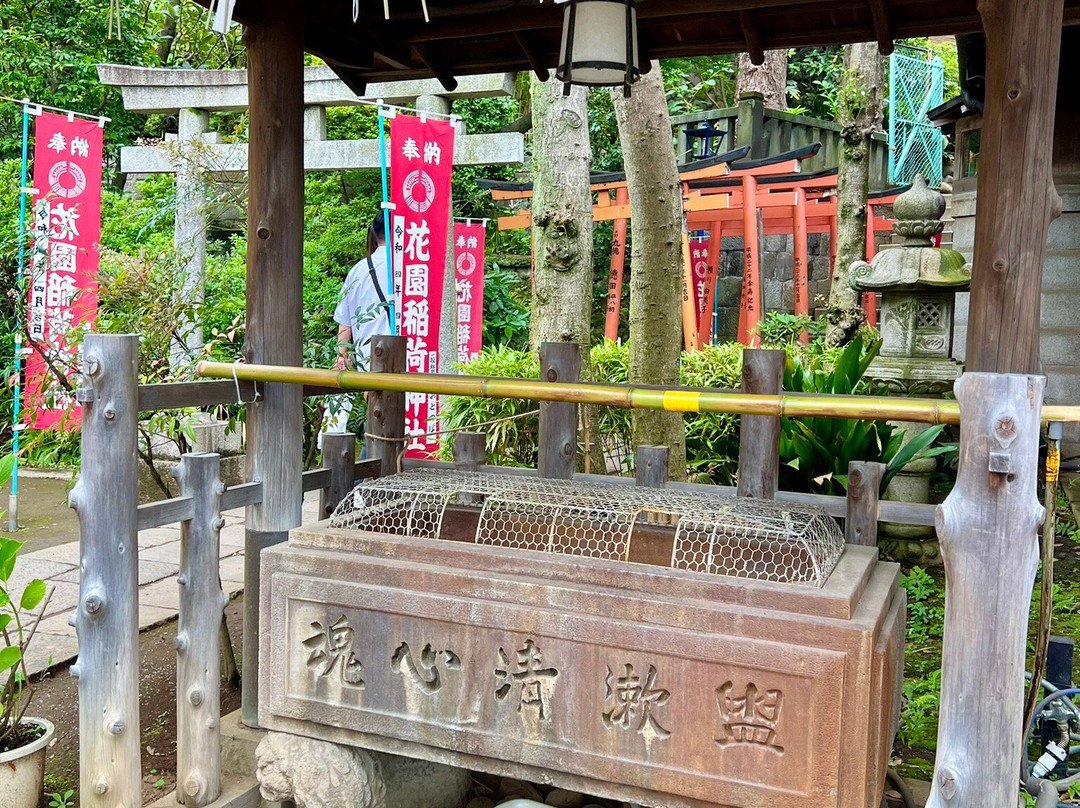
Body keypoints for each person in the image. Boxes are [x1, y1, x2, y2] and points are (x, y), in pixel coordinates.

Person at [321, 214, 392, 439]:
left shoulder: (358, 270)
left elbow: (345, 322)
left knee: (378, 422)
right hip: (406, 358)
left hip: (367, 361)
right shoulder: (408, 268)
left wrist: (343, 355)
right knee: (397, 426)